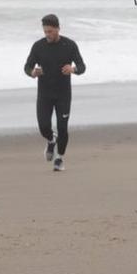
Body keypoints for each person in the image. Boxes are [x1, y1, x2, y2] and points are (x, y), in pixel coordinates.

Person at [24, 14, 86, 172]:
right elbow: (27, 67)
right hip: (44, 94)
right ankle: (51, 140)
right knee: (44, 126)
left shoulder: (69, 45)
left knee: (62, 127)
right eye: (45, 31)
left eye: (50, 31)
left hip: (63, 94)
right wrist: (33, 72)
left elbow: (82, 66)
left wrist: (73, 69)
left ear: (58, 28)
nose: (47, 35)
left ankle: (59, 159)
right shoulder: (38, 46)